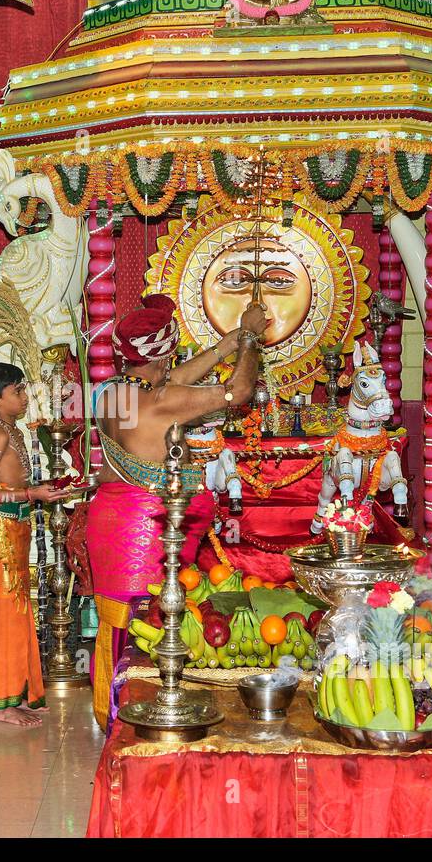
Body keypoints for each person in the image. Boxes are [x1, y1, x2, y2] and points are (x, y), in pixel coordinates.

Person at [87, 295, 268, 728]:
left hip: (111, 517)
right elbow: (239, 392)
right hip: (147, 528)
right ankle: (136, 719)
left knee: (119, 621)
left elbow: (175, 381)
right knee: (150, 619)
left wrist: (224, 346)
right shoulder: (162, 401)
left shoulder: (111, 394)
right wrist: (249, 339)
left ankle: (113, 712)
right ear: (164, 351)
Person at [0, 363, 70, 726]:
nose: (25, 397)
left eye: (24, 390)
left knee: (19, 613)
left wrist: (45, 492)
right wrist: (32, 492)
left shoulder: (11, 430)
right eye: (17, 392)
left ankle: (22, 693)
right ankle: (2, 705)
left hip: (15, 527)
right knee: (4, 616)